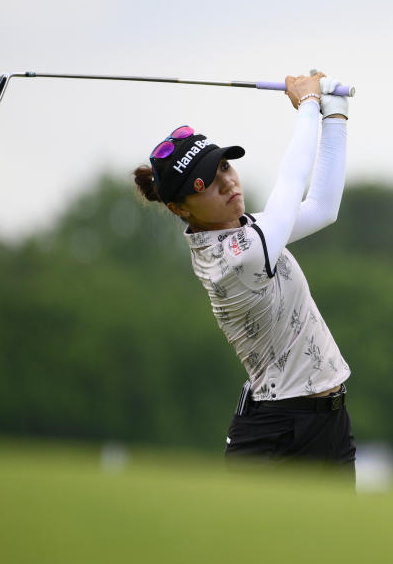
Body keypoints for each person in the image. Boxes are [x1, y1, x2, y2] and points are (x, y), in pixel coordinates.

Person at [132, 71, 355, 481]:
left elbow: (323, 207)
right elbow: (290, 186)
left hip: (329, 425)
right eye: (207, 183)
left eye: (225, 168)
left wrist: (334, 115)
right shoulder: (235, 257)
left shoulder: (246, 232)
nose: (228, 184)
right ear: (181, 208)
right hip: (277, 435)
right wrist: (307, 107)